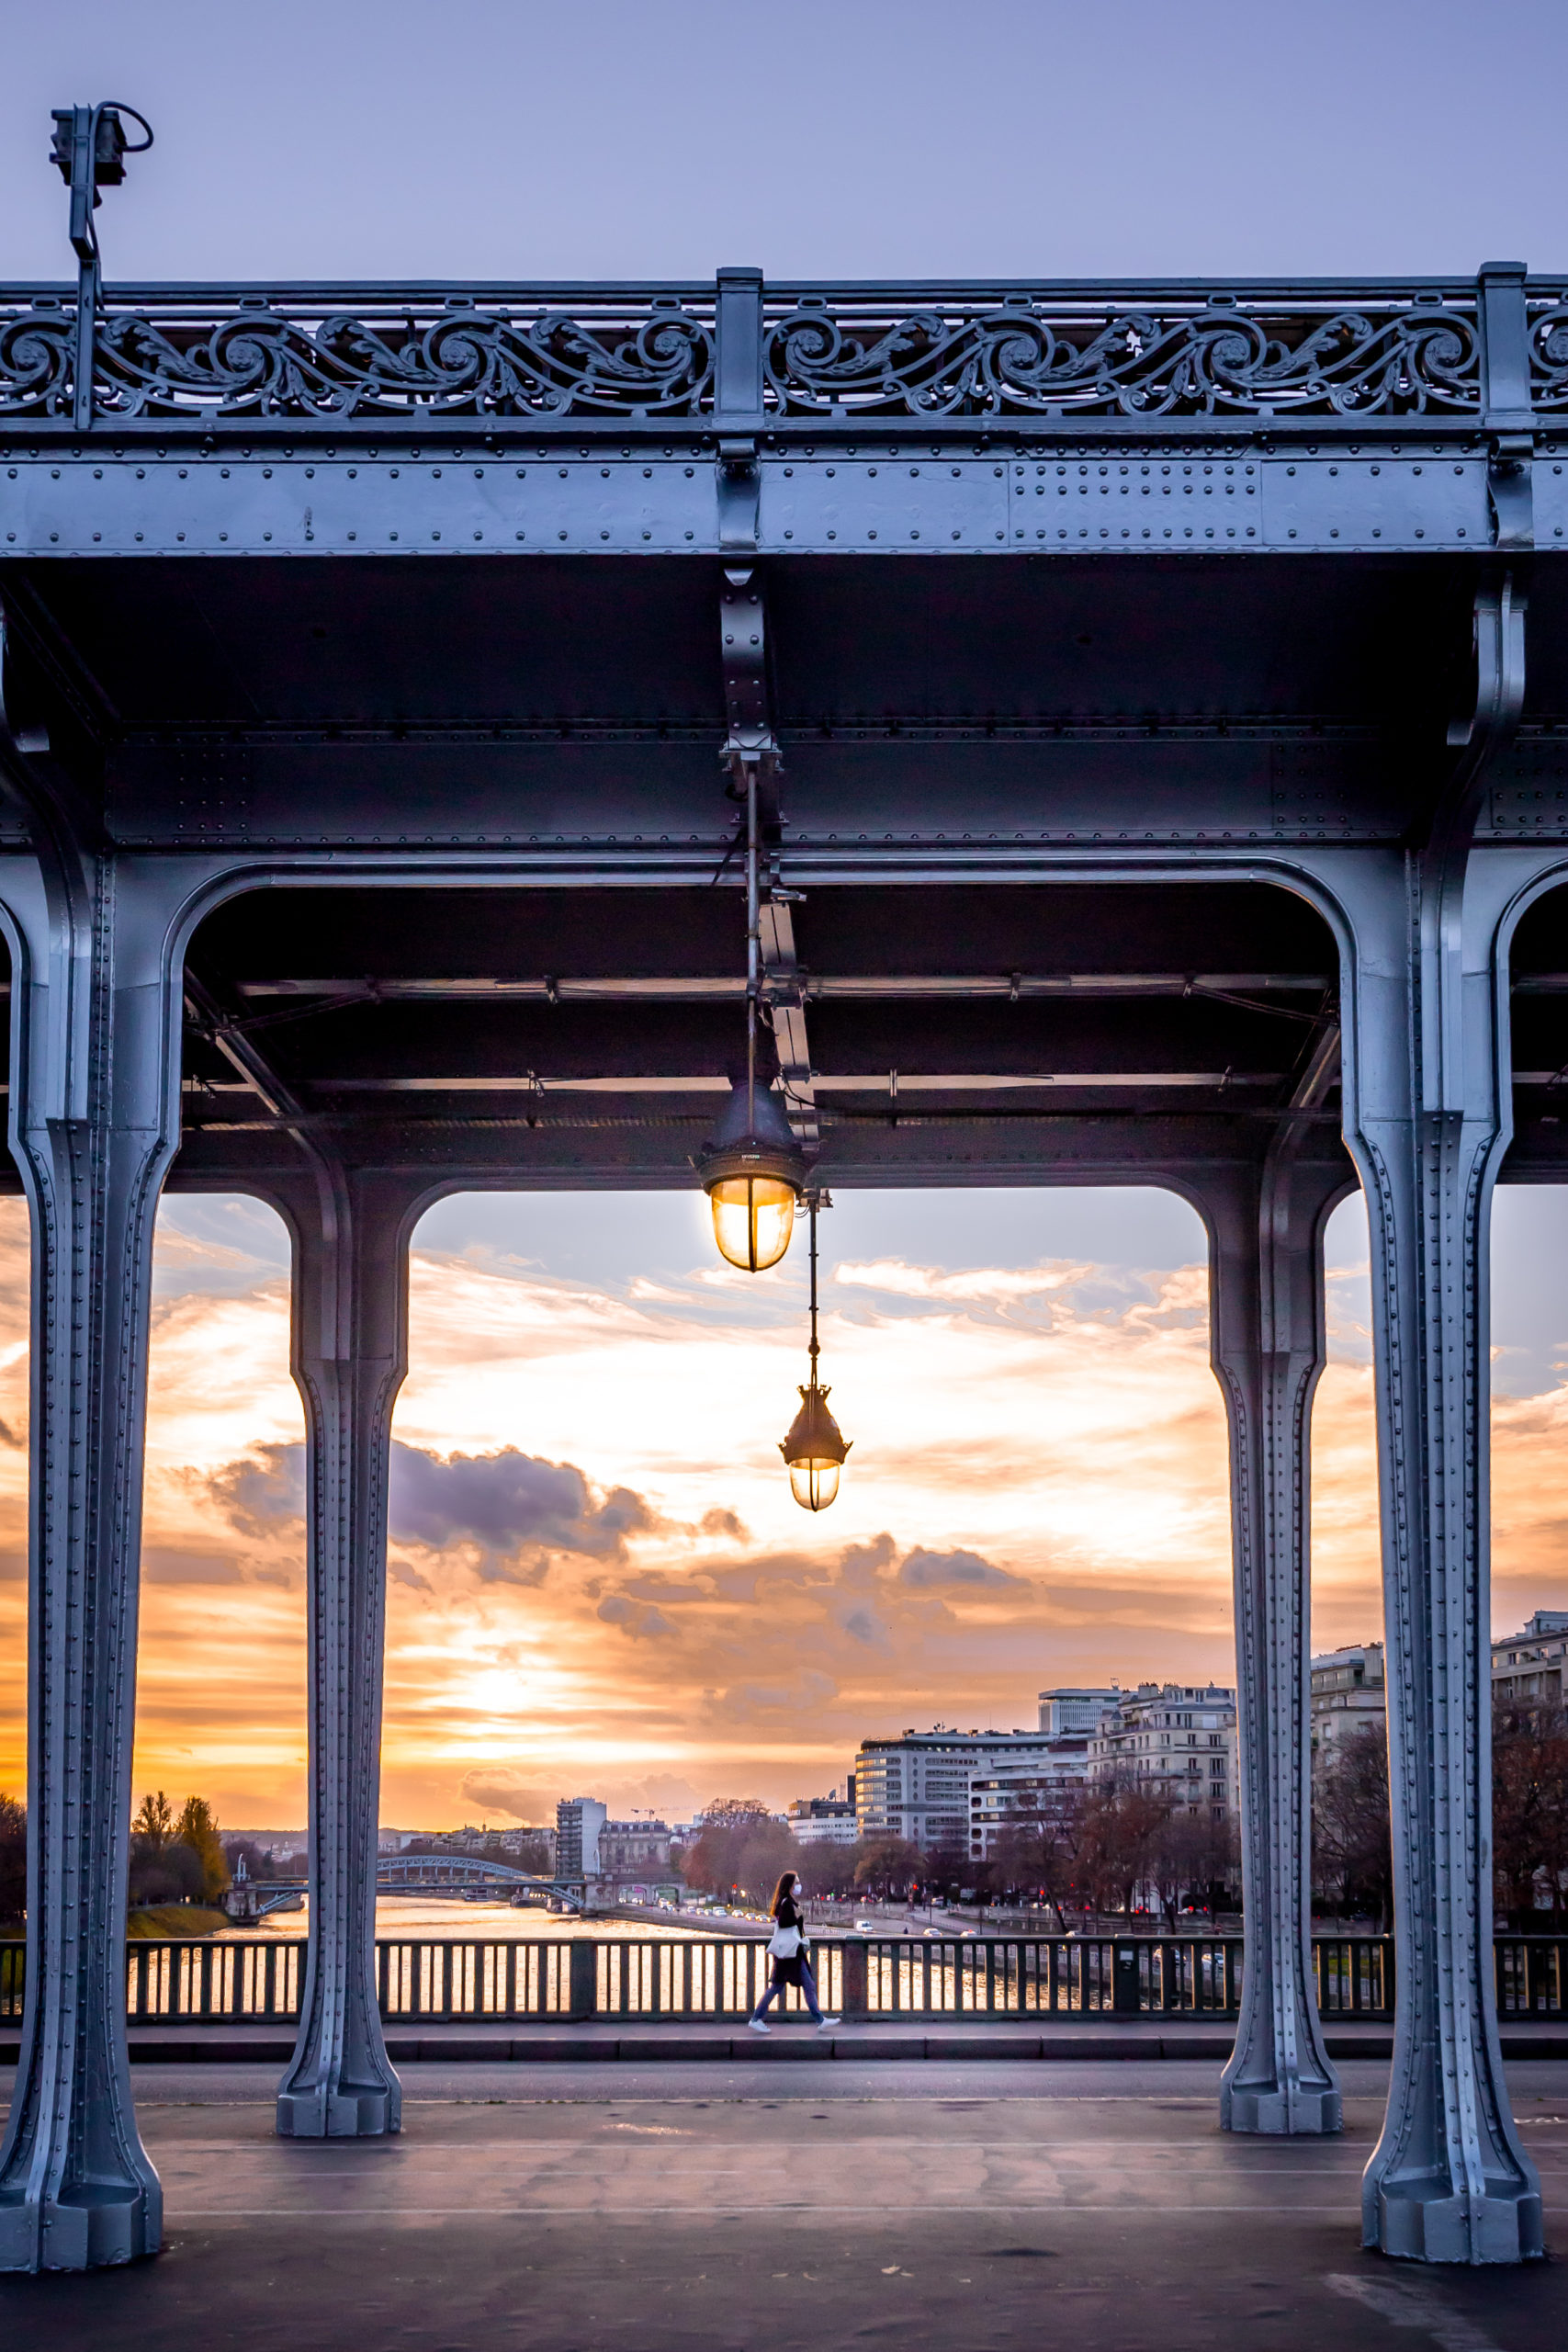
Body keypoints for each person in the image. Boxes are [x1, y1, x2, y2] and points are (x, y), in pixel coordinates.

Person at [749, 1870, 839, 2033]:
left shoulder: (785, 1902)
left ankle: (820, 2019)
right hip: (790, 1955)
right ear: (789, 1885)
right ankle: (756, 2018)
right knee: (783, 1986)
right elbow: (784, 1923)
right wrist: (797, 1917)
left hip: (791, 1954)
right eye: (796, 1882)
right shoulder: (787, 1903)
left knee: (802, 1985)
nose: (799, 1885)